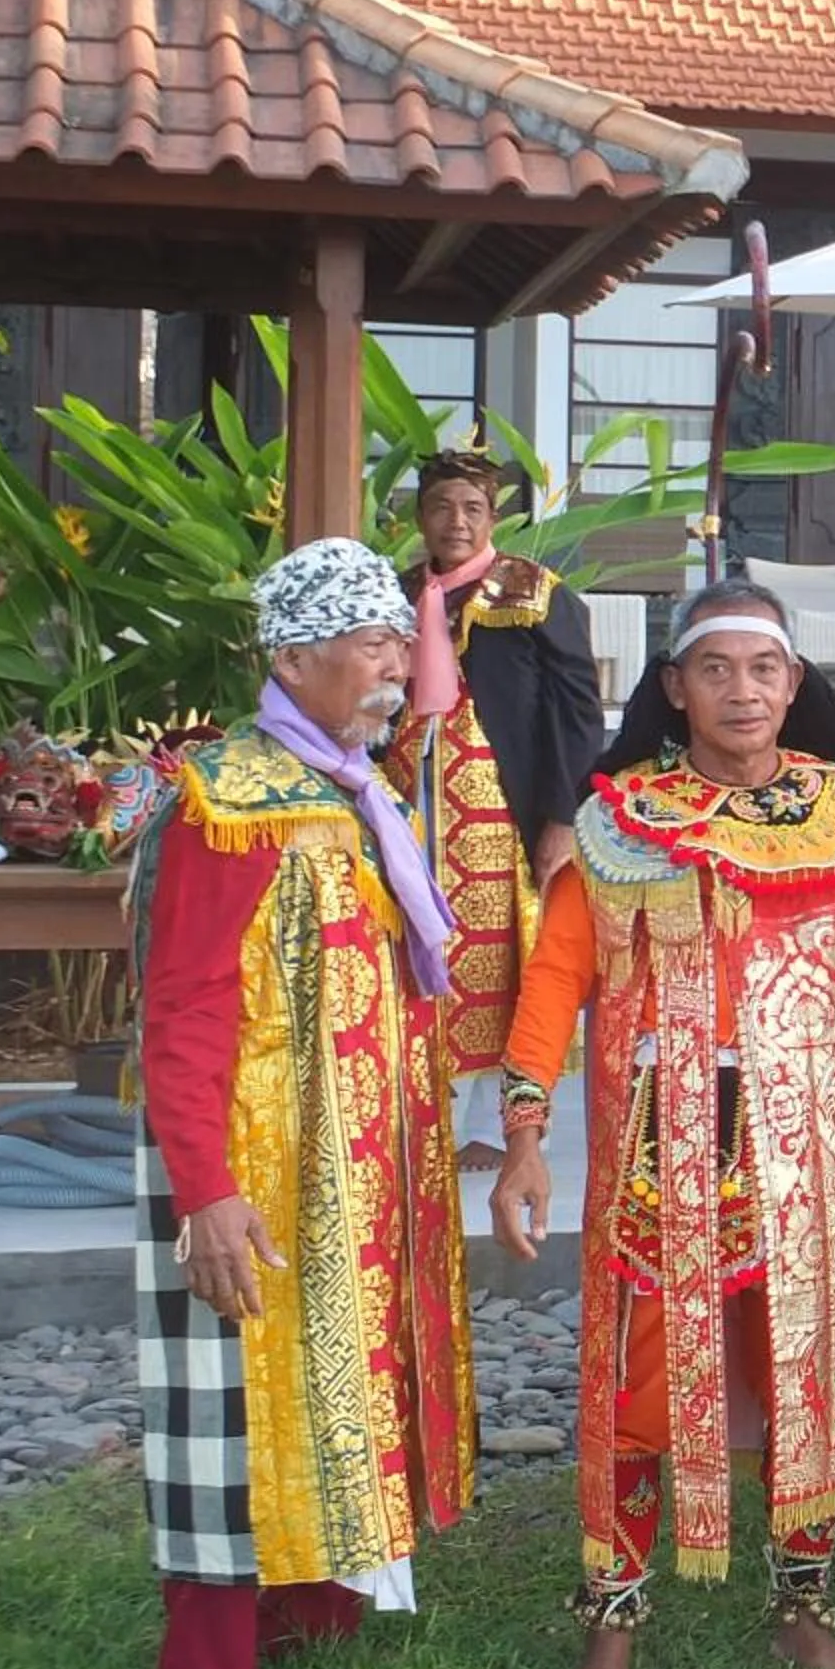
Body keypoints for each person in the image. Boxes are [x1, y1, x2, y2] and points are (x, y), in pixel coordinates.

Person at [489, 580, 835, 1669]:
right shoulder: (618, 824)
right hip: (665, 1139)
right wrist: (521, 1138)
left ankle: (803, 1604)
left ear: (794, 685)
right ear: (674, 690)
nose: (742, 690)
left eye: (763, 669)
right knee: (640, 1386)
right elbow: (559, 976)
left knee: (803, 1374)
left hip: (814, 1148)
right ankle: (612, 1622)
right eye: (716, 669)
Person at [128, 538, 474, 1669]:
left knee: (333, 1377)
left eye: (399, 644)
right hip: (252, 1163)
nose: (397, 670)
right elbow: (181, 1009)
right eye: (373, 648)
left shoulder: (347, 788)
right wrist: (203, 1191)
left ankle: (313, 1614)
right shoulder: (230, 798)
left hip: (347, 1163)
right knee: (231, 1416)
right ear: (295, 657)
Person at [380, 448, 605, 1171]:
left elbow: (577, 710)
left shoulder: (533, 591)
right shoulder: (397, 592)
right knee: (412, 940)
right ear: (420, 517)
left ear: (493, 518)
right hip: (407, 794)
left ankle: (487, 1115)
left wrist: (564, 817)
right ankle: (418, 1101)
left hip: (498, 806)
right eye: (442, 507)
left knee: (498, 952)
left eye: (471, 509)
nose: (456, 521)